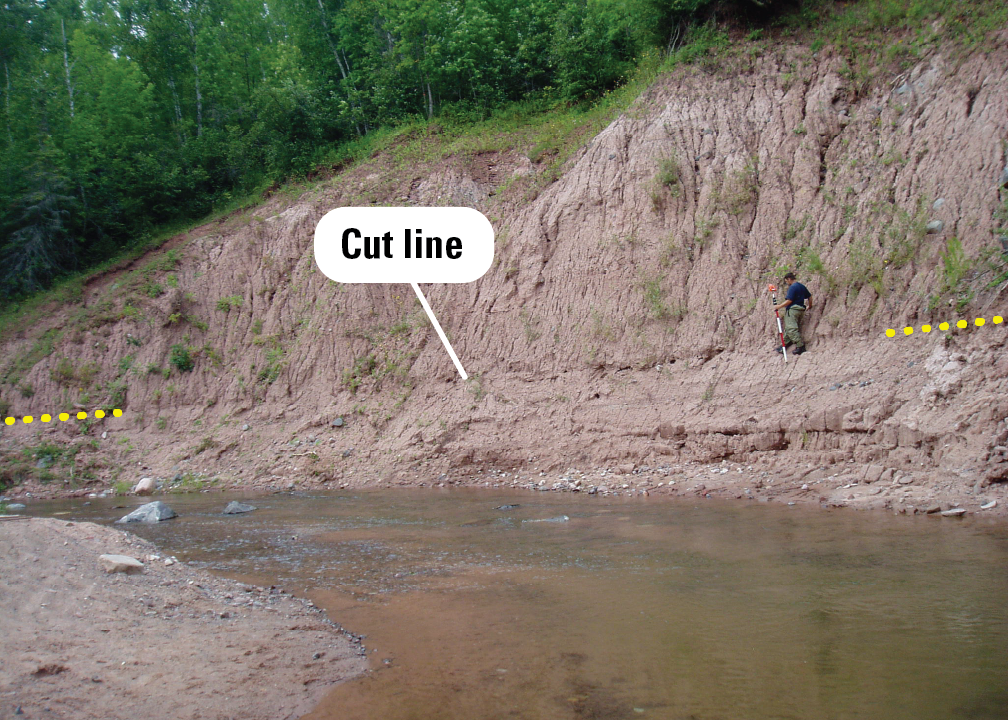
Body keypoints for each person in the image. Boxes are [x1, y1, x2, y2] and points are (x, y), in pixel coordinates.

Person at [773, 271, 811, 355]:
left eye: (786, 281)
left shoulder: (793, 287)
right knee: (789, 328)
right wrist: (810, 306)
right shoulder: (802, 286)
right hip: (800, 310)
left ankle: (800, 346)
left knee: (791, 328)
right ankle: (785, 344)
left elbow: (789, 300)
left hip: (793, 310)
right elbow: (809, 296)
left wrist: (779, 306)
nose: (787, 283)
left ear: (789, 279)